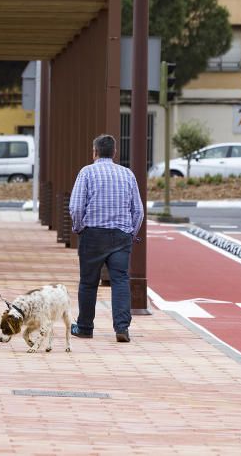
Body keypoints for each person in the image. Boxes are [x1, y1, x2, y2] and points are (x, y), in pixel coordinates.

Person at [68, 134, 144, 343]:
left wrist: (79, 227)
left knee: (88, 282)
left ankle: (84, 327)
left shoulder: (87, 173)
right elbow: (138, 210)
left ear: (94, 152)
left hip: (92, 235)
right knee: (120, 280)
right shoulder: (127, 174)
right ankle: (122, 328)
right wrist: (131, 233)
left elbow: (75, 206)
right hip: (121, 236)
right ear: (114, 152)